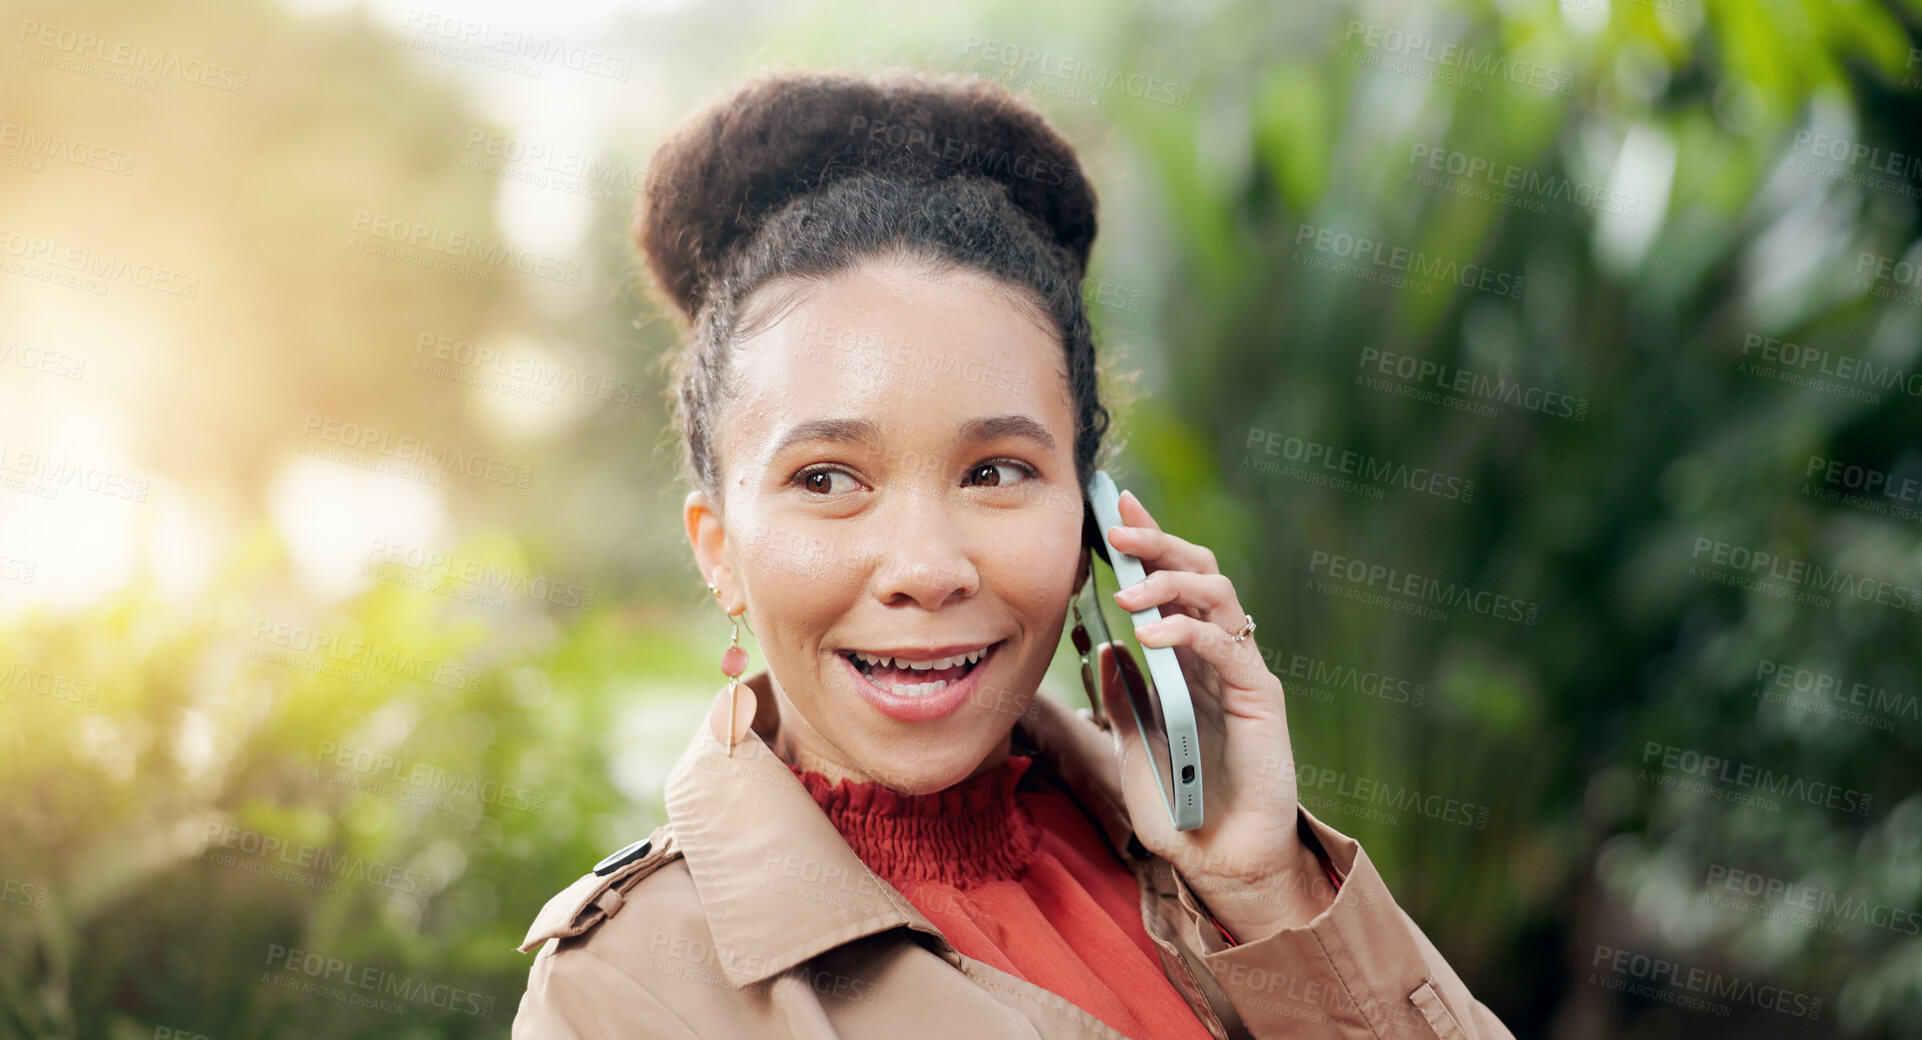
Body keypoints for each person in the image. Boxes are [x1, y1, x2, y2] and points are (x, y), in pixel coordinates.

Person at [511, 67, 1514, 1040]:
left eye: (993, 471)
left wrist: (1268, 890)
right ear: (719, 548)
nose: (925, 564)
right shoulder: (628, 988)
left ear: (1092, 526)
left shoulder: (1198, 853)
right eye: (825, 477)